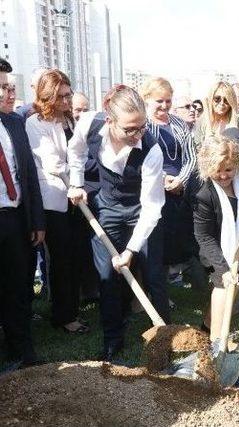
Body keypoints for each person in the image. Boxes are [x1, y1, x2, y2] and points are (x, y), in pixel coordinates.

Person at [67, 84, 169, 361]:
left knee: (154, 275)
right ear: (110, 120)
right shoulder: (89, 123)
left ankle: (166, 340)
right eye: (130, 130)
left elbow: (151, 206)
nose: (137, 136)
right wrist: (76, 183)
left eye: (142, 127)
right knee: (108, 278)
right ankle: (113, 339)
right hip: (107, 208)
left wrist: (131, 250)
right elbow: (75, 151)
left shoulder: (151, 150)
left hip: (141, 209)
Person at [25, 69, 89, 333]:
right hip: (53, 200)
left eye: (68, 94)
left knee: (75, 256)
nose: (66, 101)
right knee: (61, 259)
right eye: (60, 96)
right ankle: (64, 315)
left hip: (75, 197)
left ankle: (74, 306)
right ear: (47, 96)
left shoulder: (70, 121)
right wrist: (75, 181)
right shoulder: (35, 123)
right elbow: (53, 164)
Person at [140, 77, 205, 290]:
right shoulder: (142, 125)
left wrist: (180, 180)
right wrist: (161, 179)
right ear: (147, 99)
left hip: (178, 190)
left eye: (168, 100)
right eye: (159, 101)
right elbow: (139, 159)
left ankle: (181, 280)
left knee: (180, 238)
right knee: (156, 242)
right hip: (152, 190)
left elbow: (190, 156)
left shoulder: (177, 122)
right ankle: (155, 289)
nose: (165, 105)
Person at [0, 58, 45, 367]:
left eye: (11, 86)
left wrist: (37, 220)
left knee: (19, 287)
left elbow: (28, 174)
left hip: (15, 218)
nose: (9, 93)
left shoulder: (15, 123)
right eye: (2, 88)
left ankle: (23, 353)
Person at [192, 136, 239, 339]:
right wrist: (224, 268)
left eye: (228, 169)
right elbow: (203, 236)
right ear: (207, 168)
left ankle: (208, 325)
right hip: (213, 244)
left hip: (235, 241)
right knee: (224, 284)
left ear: (237, 165)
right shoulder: (204, 195)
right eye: (217, 171)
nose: (224, 176)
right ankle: (217, 340)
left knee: (236, 283)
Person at [194, 81, 239, 150]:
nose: (222, 103)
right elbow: (197, 149)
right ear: (211, 99)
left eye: (226, 100)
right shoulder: (202, 121)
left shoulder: (238, 121)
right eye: (217, 99)